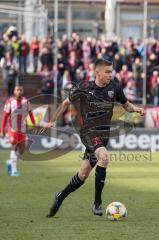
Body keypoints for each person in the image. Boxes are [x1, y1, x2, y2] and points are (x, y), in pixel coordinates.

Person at [45, 59, 145, 217]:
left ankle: (60, 196)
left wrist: (137, 109)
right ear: (97, 72)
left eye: (111, 72)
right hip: (88, 132)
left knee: (83, 174)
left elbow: (126, 105)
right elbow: (65, 103)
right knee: (104, 157)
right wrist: (52, 120)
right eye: (107, 72)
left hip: (104, 134)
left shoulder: (114, 88)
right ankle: (97, 203)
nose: (110, 75)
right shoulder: (84, 87)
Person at [0, 85, 36, 176]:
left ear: (22, 91)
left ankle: (9, 162)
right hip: (12, 128)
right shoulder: (10, 102)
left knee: (21, 151)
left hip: (22, 129)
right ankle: (14, 171)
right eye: (17, 89)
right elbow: (4, 117)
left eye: (21, 89)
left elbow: (31, 114)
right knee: (14, 146)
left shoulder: (26, 102)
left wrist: (34, 125)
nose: (19, 91)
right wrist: (2, 130)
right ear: (14, 91)